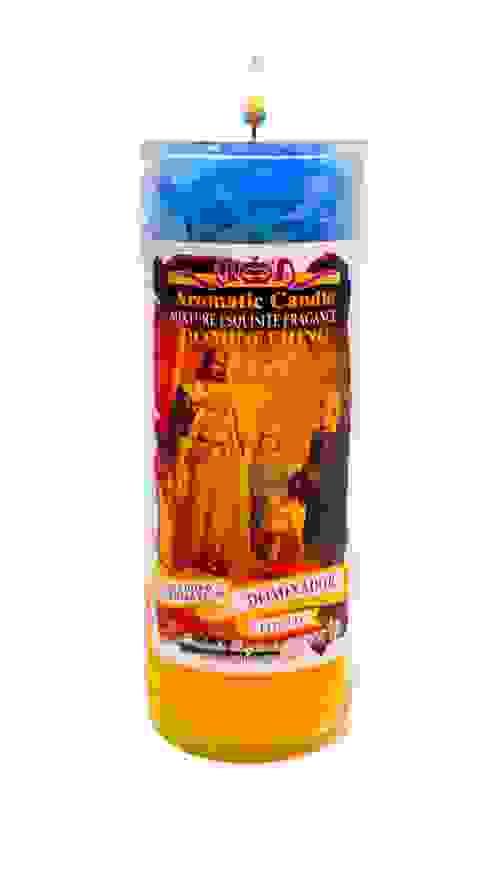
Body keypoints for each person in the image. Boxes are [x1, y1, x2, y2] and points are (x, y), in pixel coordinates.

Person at [288, 390, 349, 567]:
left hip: (332, 529)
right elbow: (309, 471)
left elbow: (331, 484)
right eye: (321, 407)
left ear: (339, 413)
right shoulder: (318, 438)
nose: (322, 414)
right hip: (314, 525)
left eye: (329, 409)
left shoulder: (344, 442)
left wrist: (306, 482)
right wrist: (294, 483)